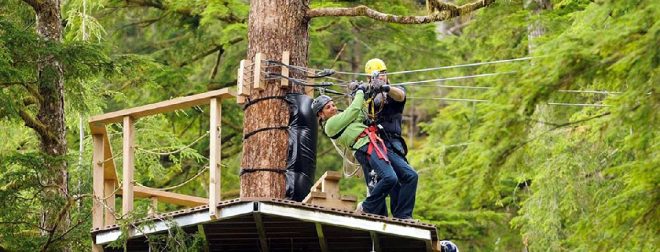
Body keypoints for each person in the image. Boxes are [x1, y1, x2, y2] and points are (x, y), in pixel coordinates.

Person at [311, 85, 397, 217]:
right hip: (367, 147)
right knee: (390, 178)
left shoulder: (345, 120)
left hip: (367, 149)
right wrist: (360, 91)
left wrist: (366, 95)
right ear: (321, 115)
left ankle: (380, 217)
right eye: (328, 107)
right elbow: (354, 110)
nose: (333, 108)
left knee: (374, 185)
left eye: (333, 105)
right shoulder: (330, 125)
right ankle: (366, 207)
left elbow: (360, 113)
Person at [364, 58, 418, 219]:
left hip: (392, 144)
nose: (381, 77)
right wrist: (357, 90)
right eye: (377, 75)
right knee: (402, 178)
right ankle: (400, 216)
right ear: (370, 78)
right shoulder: (368, 97)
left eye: (383, 74)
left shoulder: (394, 91)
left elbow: (400, 95)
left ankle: (401, 216)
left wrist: (385, 88)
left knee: (405, 178)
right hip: (376, 144)